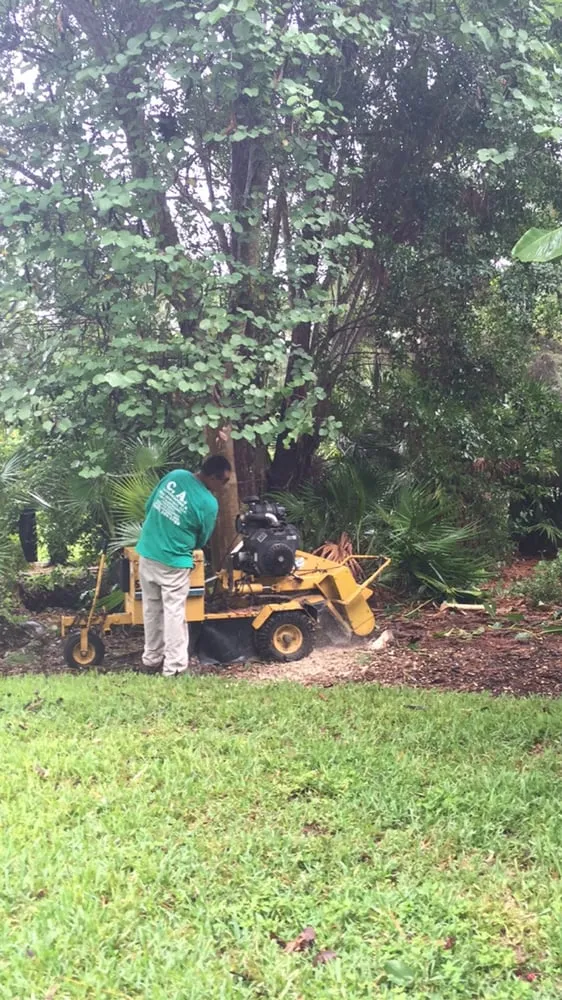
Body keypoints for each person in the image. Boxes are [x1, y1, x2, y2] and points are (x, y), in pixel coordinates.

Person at [136, 455, 232, 676]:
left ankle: (151, 660)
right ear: (213, 477)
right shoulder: (208, 503)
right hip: (174, 562)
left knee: (151, 609)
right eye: (224, 481)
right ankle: (175, 668)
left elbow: (149, 506)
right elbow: (202, 539)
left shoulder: (175, 476)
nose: (224, 487)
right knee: (174, 613)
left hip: (148, 552)